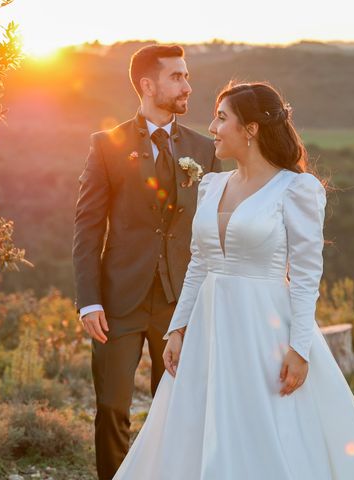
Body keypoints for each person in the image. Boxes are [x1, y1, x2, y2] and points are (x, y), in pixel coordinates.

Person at [112, 82, 354, 479]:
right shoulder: (212, 185)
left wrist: (300, 348)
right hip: (208, 328)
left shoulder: (296, 188)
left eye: (221, 118)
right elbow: (200, 262)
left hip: (265, 329)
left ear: (250, 129)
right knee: (195, 426)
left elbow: (304, 275)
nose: (211, 127)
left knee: (266, 426)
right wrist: (178, 327)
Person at [72, 44, 221, 480]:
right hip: (118, 301)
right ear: (147, 84)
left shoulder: (203, 149)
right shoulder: (106, 145)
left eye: (187, 75)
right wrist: (89, 301)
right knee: (112, 407)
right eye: (177, 76)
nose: (187, 85)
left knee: (173, 406)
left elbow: (210, 227)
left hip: (180, 300)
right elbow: (87, 228)